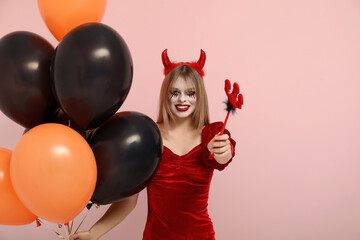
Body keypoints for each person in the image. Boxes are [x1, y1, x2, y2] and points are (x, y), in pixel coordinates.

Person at [70, 49, 236, 240]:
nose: (183, 99)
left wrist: (225, 151)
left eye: (190, 93)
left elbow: (225, 153)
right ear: (166, 95)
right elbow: (128, 201)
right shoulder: (149, 136)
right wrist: (94, 233)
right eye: (175, 92)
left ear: (199, 97)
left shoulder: (212, 135)